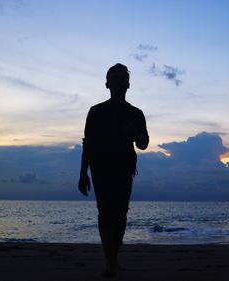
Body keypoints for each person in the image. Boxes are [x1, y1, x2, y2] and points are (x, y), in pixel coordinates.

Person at [78, 63, 149, 277]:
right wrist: (83, 174)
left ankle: (113, 257)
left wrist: (136, 135)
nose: (119, 82)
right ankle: (110, 261)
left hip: (125, 169)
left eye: (123, 78)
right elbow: (88, 144)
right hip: (101, 170)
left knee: (120, 215)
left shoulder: (136, 113)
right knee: (105, 214)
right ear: (107, 84)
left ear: (128, 84)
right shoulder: (96, 111)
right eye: (115, 78)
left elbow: (143, 143)